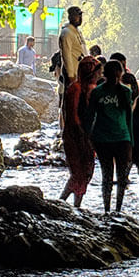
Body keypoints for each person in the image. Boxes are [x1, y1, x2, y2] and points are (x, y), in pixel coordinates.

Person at [89, 59, 137, 213]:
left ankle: (117, 209)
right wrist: (89, 138)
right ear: (106, 75)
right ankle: (107, 209)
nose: (115, 79)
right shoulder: (97, 92)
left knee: (122, 178)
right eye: (113, 76)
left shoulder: (126, 92)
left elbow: (130, 118)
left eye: (117, 76)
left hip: (122, 138)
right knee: (107, 176)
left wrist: (131, 141)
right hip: (102, 139)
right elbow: (90, 116)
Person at [60, 56, 101, 208]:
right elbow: (72, 115)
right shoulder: (75, 88)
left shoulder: (91, 89)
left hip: (86, 135)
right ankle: (62, 201)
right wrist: (83, 135)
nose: (99, 75)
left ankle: (76, 204)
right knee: (78, 172)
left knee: (87, 172)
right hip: (75, 136)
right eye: (97, 72)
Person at [57, 6, 86, 95]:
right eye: (77, 16)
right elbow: (66, 55)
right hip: (72, 73)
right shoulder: (66, 33)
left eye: (80, 16)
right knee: (70, 99)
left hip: (79, 71)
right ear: (70, 17)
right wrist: (71, 75)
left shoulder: (77, 32)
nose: (79, 18)